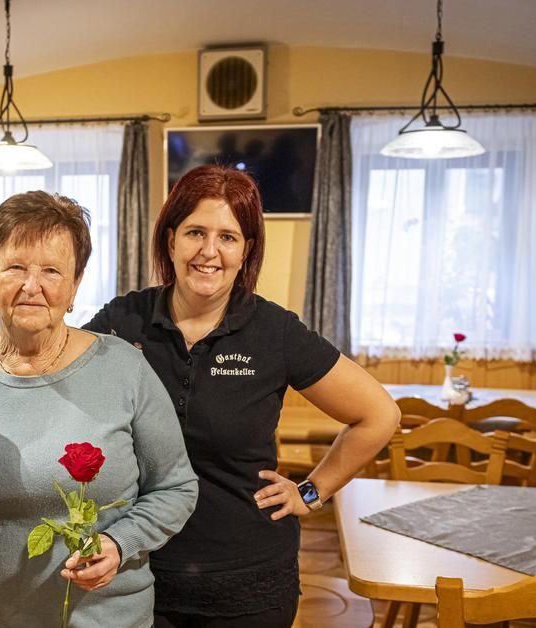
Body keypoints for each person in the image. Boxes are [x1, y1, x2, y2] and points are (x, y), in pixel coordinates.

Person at [85, 165, 400, 627]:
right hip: (138, 569)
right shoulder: (124, 320)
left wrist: (311, 492)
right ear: (170, 240)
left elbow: (379, 414)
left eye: (228, 237)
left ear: (246, 250)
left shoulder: (274, 332)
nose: (209, 252)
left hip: (247, 581)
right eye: (195, 232)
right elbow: (61, 380)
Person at [0, 191, 198, 628]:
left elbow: (177, 487)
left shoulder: (123, 366)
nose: (33, 286)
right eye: (15, 267)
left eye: (52, 270)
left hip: (112, 619)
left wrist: (120, 542)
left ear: (74, 284)